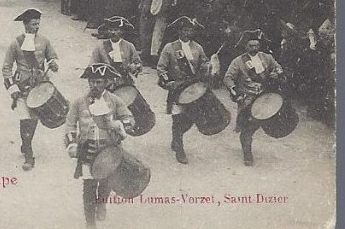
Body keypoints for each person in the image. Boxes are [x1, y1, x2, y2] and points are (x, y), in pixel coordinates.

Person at [65, 63, 135, 229]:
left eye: (98, 82)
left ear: (106, 83)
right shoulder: (79, 102)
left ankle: (102, 203)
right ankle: (90, 225)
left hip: (108, 150)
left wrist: (120, 125)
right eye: (91, 82)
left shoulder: (116, 101)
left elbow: (130, 120)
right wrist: (72, 144)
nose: (94, 86)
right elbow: (69, 125)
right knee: (88, 187)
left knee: (106, 183)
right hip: (88, 150)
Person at [2, 8, 60, 171]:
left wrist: (54, 64)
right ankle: (29, 155)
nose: (37, 27)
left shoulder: (45, 41)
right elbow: (6, 67)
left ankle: (25, 142)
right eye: (34, 24)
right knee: (25, 119)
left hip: (39, 85)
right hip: (21, 87)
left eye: (38, 23)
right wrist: (11, 87)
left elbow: (52, 58)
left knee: (34, 119)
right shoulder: (15, 43)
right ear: (25, 25)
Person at [224, 31, 284, 166]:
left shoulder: (267, 57)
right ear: (246, 46)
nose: (254, 48)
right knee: (247, 128)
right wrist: (233, 90)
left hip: (265, 97)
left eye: (256, 45)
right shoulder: (238, 61)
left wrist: (276, 73)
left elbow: (278, 68)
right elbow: (228, 77)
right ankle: (247, 153)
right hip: (248, 99)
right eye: (251, 46)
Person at [156, 16, 211, 165]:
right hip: (177, 89)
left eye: (190, 30)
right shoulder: (169, 47)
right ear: (179, 31)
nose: (187, 33)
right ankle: (180, 149)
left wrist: (207, 67)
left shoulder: (198, 48)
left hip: (193, 89)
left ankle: (176, 137)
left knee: (190, 118)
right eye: (185, 30)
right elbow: (161, 68)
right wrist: (169, 82)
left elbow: (204, 63)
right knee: (178, 117)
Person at [89, 17, 144, 87]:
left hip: (125, 82)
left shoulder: (129, 46)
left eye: (116, 30)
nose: (113, 32)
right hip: (106, 83)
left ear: (121, 31)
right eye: (110, 30)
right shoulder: (100, 47)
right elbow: (92, 66)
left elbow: (138, 64)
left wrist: (135, 67)